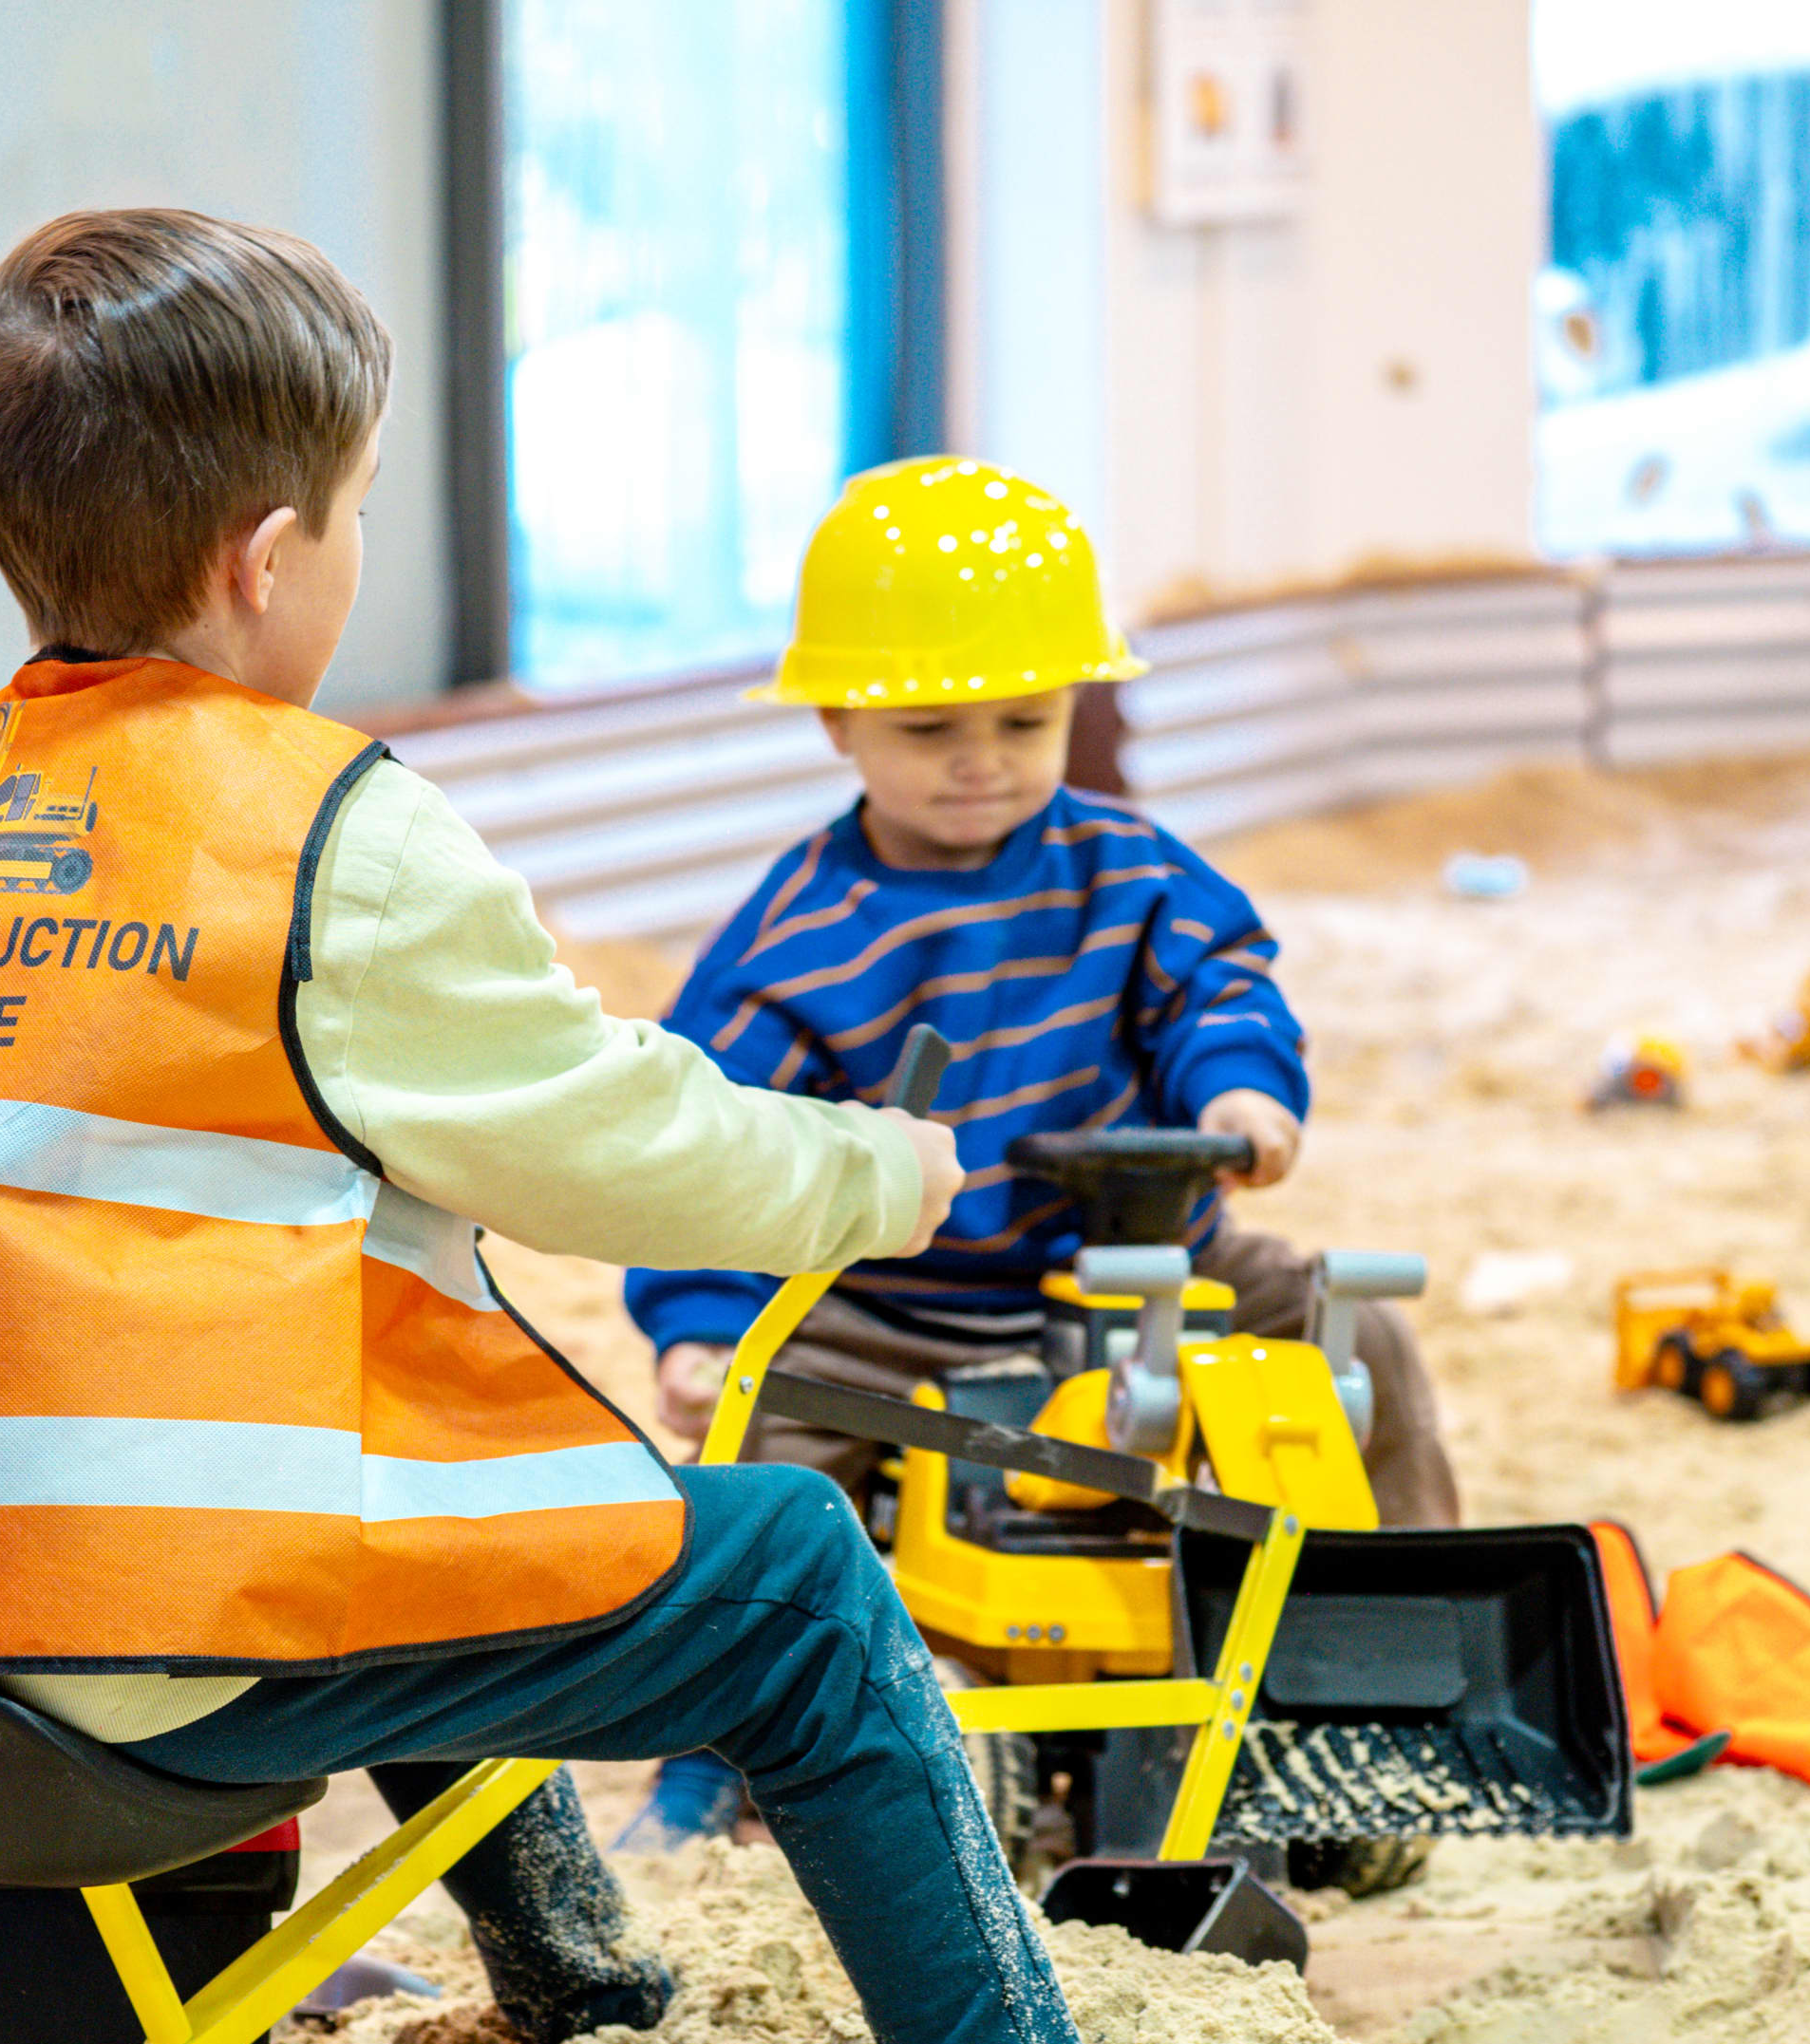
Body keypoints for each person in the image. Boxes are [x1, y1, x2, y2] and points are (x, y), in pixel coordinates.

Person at [0, 209, 1116, 2044]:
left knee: (439, 1492)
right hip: (146, 1658)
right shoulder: (324, 832)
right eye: (367, 513)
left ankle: (575, 1972)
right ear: (269, 557)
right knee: (802, 1580)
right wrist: (874, 1170)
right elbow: (609, 1141)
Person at [615, 458, 1458, 1855]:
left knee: (1348, 1340)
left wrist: (1245, 1098)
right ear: (836, 719)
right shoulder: (796, 937)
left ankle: (1391, 1675)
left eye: (1027, 717)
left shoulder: (1132, 876)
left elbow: (1219, 987)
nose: (981, 757)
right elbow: (709, 1137)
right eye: (930, 722)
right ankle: (711, 1755)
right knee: (754, 1471)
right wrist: (703, 1325)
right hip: (890, 1309)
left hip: (1146, 1275)